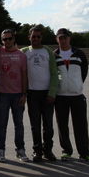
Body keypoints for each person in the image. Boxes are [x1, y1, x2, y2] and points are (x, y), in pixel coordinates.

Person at [54, 28, 89, 162]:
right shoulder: (54, 55)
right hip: (60, 96)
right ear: (57, 39)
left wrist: (77, 84)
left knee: (81, 126)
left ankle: (84, 152)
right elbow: (53, 74)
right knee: (62, 126)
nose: (63, 40)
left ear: (69, 38)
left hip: (77, 95)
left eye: (65, 37)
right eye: (60, 38)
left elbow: (84, 71)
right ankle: (66, 151)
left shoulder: (79, 53)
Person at [21, 25, 59, 162]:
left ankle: (48, 150)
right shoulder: (24, 52)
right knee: (35, 125)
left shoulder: (48, 51)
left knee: (48, 125)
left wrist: (52, 92)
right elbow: (8, 51)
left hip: (47, 93)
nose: (36, 39)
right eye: (33, 36)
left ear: (41, 37)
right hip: (32, 94)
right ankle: (37, 151)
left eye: (38, 36)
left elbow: (54, 73)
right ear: (29, 37)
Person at [0, 28, 29, 163]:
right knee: (1, 124)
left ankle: (20, 150)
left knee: (18, 124)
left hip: (17, 95)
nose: (7, 41)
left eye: (9, 38)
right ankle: (0, 150)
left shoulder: (21, 55)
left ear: (14, 39)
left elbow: (24, 76)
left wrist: (24, 94)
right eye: (4, 39)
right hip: (2, 94)